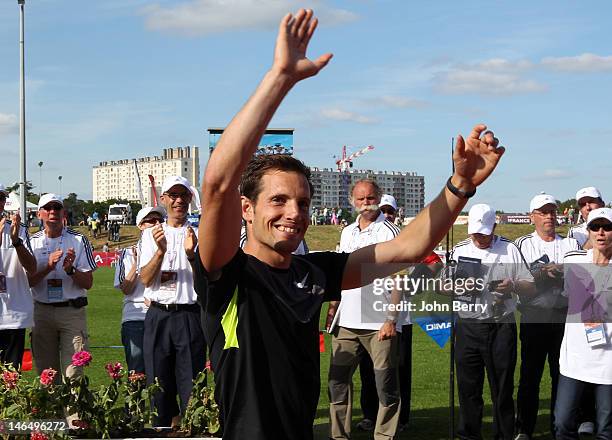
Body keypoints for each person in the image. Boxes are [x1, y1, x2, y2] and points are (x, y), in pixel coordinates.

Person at [194, 8, 505, 440]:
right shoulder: (225, 273)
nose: (294, 213)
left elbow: (408, 248)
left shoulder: (313, 273)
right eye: (278, 200)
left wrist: (459, 186)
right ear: (246, 208)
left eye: (302, 202)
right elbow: (217, 183)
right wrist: (281, 77)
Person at [443, 203, 534, 440]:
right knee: (468, 388)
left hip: (500, 324)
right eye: (475, 232)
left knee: (502, 388)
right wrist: (458, 286)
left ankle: (503, 435)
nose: (479, 237)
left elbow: (530, 285)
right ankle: (469, 435)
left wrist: (512, 286)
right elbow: (442, 286)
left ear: (494, 225)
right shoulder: (459, 250)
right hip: (467, 325)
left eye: (484, 232)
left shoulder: (510, 249)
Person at [326, 180, 402, 439]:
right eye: (359, 198)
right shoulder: (347, 231)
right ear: (351, 201)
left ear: (379, 198)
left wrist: (391, 319)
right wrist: (334, 306)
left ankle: (384, 436)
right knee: (337, 382)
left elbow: (399, 277)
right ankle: (338, 436)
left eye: (370, 197)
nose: (365, 202)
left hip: (379, 321)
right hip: (346, 321)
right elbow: (340, 274)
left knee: (386, 386)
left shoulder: (390, 231)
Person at [139, 175, 204, 428]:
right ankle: (161, 429)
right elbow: (145, 279)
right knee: (157, 381)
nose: (178, 200)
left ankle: (194, 429)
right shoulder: (151, 234)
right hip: (158, 314)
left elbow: (208, 283)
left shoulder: (200, 233)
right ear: (164, 199)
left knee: (192, 380)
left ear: (190, 198)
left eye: (183, 195)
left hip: (189, 314)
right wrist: (160, 251)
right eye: (173, 195)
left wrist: (191, 255)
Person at [514, 194, 580, 440]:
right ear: (532, 217)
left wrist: (561, 269)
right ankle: (524, 427)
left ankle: (559, 425)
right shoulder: (522, 244)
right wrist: (542, 272)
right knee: (530, 374)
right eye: (543, 212)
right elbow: (520, 280)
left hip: (564, 315)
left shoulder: (570, 244)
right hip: (534, 315)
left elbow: (581, 275)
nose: (549, 216)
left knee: (561, 373)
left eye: (552, 211)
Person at [555, 207, 612, 439]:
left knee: (606, 430)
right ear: (587, 231)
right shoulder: (573, 261)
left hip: (608, 361)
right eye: (595, 227)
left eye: (607, 227)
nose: (601, 233)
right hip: (575, 360)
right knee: (562, 423)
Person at [28, 193, 96, 379]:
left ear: (63, 212)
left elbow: (88, 283)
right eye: (47, 208)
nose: (52, 212)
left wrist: (70, 270)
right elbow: (28, 282)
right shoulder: (31, 242)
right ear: (39, 213)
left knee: (73, 374)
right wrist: (48, 267)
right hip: (41, 312)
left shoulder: (79, 240)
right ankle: (51, 410)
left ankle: (73, 410)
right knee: (46, 376)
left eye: (56, 208)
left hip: (71, 312)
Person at [113, 206, 166, 374]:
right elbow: (126, 289)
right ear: (141, 226)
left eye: (160, 220)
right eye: (151, 221)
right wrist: (137, 263)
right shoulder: (127, 253)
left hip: (163, 316)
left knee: (162, 372)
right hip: (136, 318)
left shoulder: (168, 250)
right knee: (138, 373)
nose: (157, 223)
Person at [0, 184, 36, 370]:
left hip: (12, 317)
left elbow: (32, 267)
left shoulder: (18, 229)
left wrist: (16, 242)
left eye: (0, 198)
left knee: (11, 382)